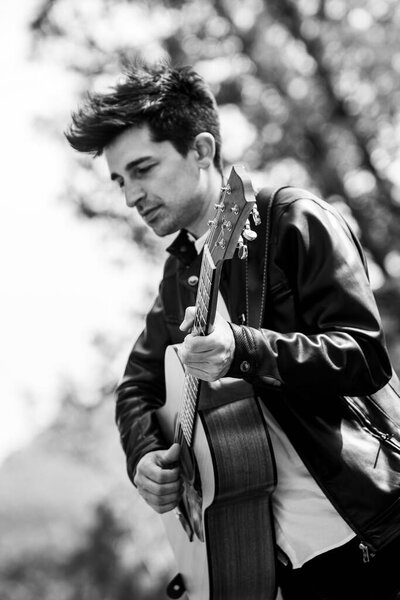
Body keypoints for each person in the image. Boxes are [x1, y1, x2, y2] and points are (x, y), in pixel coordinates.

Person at [65, 62, 400, 599]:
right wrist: (146, 458)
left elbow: (363, 355)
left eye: (143, 168)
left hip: (375, 534)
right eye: (120, 180)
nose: (130, 196)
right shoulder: (178, 281)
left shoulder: (292, 219)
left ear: (201, 149)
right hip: (283, 568)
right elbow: (135, 388)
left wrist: (241, 349)